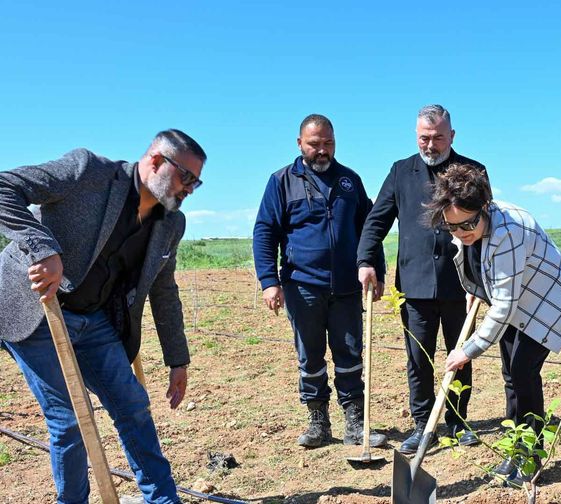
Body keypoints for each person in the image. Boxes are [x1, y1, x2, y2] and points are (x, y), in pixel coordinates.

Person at [0, 129, 205, 503]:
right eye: (186, 177)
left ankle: (162, 499)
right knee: (71, 418)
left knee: (132, 404)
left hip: (93, 318)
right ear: (156, 160)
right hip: (36, 308)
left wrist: (178, 360)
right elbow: (3, 187)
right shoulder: (88, 172)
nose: (190, 188)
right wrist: (43, 248)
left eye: (197, 182)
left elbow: (164, 291)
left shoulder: (172, 223)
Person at [425, 164, 561, 482]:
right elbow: (478, 262)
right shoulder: (464, 224)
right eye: (452, 227)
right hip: (519, 296)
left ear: (484, 206)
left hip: (547, 301)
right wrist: (476, 288)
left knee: (523, 370)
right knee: (510, 372)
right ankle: (515, 446)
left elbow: (504, 305)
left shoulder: (507, 231)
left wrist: (467, 350)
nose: (460, 232)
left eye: (468, 223)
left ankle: (530, 454)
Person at [356, 104, 485, 453]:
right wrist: (366, 260)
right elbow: (377, 220)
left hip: (463, 284)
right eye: (424, 138)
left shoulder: (473, 170)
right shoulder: (401, 172)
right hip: (414, 285)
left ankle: (458, 423)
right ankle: (421, 424)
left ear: (452, 136)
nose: (431, 145)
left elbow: (488, 227)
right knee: (418, 357)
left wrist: (483, 278)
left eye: (438, 138)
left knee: (460, 354)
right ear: (416, 136)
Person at [253, 114, 387, 449]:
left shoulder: (349, 181)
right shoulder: (282, 181)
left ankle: (356, 424)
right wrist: (269, 281)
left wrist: (378, 271)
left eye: (328, 143)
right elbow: (264, 232)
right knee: (310, 355)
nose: (322, 150)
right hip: (302, 286)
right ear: (300, 144)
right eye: (315, 144)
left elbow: (370, 230)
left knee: (350, 353)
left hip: (346, 288)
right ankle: (318, 423)